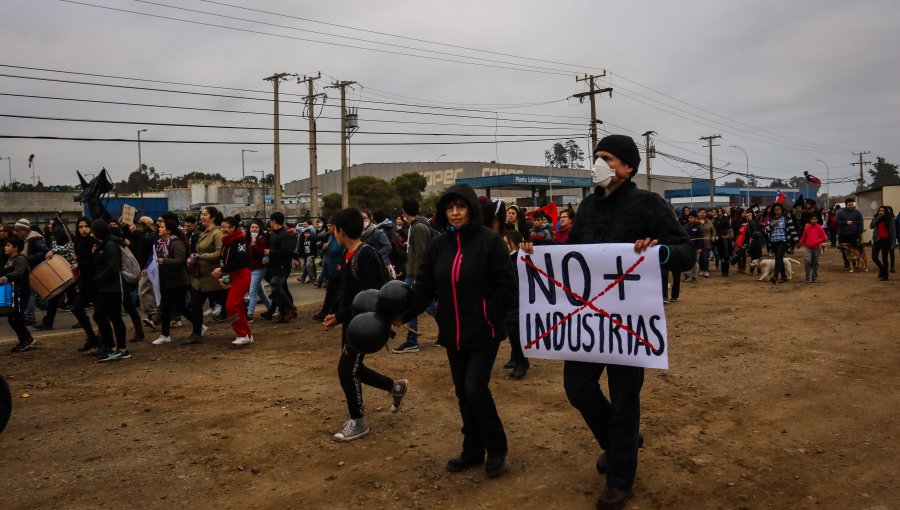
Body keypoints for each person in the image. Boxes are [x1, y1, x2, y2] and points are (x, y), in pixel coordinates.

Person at [563, 134, 693, 510]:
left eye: (606, 158)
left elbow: (684, 253)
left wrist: (661, 251)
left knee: (624, 402)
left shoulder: (648, 205)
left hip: (629, 324)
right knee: (578, 389)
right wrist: (531, 253)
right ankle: (621, 444)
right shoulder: (587, 207)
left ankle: (620, 478)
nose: (598, 164)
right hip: (587, 320)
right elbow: (573, 253)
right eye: (596, 157)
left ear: (627, 167)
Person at [398, 183, 516, 478]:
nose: (454, 213)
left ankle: (497, 447)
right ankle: (472, 450)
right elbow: (424, 287)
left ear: (471, 209)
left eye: (460, 207)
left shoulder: (490, 241)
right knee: (463, 392)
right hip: (453, 333)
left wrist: (490, 314)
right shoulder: (438, 246)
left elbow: (507, 284)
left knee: (476, 388)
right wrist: (403, 315)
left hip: (485, 332)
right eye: (449, 208)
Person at [323, 208, 408, 442]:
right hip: (351, 324)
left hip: (365, 327)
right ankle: (396, 387)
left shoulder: (366, 255)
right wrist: (335, 314)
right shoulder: (347, 254)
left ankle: (358, 421)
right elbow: (348, 294)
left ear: (341, 231)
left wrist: (340, 316)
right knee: (354, 369)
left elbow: (369, 299)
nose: (332, 233)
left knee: (346, 370)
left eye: (333, 229)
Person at [392, 198, 432, 354]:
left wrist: (418, 276)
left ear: (403, 211)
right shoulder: (414, 226)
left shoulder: (419, 227)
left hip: (416, 275)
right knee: (430, 306)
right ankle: (446, 330)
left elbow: (422, 254)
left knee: (412, 306)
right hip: (412, 273)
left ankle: (411, 342)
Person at [90, 219, 131, 362]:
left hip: (112, 287)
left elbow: (112, 267)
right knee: (114, 317)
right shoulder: (106, 244)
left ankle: (113, 347)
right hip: (109, 287)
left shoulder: (110, 244)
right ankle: (121, 349)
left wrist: (98, 278)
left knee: (101, 315)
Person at [150, 219, 195, 345]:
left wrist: (164, 261)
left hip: (178, 282)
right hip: (165, 281)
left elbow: (180, 261)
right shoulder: (158, 243)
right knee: (165, 308)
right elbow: (153, 258)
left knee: (181, 307)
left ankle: (198, 324)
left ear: (169, 230)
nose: (159, 228)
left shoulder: (177, 243)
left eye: (162, 227)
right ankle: (165, 335)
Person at [185, 207, 223, 344]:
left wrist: (201, 256)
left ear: (212, 217)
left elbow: (220, 253)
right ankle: (196, 333)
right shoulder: (204, 233)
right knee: (195, 305)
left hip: (212, 277)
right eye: (202, 214)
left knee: (228, 304)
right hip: (200, 277)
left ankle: (242, 329)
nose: (202, 217)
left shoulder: (217, 233)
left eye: (205, 214)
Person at [213, 215, 253, 345]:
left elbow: (240, 261)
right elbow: (223, 260)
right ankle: (247, 334)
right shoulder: (226, 242)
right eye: (221, 227)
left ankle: (241, 334)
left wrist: (222, 269)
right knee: (239, 306)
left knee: (230, 305)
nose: (222, 229)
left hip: (241, 275)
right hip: (232, 275)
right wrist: (223, 276)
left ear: (233, 228)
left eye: (225, 227)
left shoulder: (240, 241)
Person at [1, 237, 36, 352]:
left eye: (8, 245)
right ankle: (25, 339)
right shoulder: (9, 260)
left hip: (19, 291)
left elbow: (19, 273)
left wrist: (7, 277)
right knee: (11, 317)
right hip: (8, 291)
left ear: (15, 248)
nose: (5, 247)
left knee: (16, 317)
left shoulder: (20, 259)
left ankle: (26, 340)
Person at [262, 212, 296, 323]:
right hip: (273, 266)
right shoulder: (273, 235)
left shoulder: (284, 235)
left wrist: (270, 252)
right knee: (282, 290)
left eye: (271, 221)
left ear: (274, 221)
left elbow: (287, 251)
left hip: (282, 267)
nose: (270, 223)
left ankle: (290, 307)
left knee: (276, 288)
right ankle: (282, 312)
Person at [13, 219, 47, 326]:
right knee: (35, 296)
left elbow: (44, 251)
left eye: (18, 230)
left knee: (30, 294)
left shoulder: (34, 239)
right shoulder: (26, 239)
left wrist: (27, 259)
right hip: (30, 270)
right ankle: (50, 307)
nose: (16, 232)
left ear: (24, 230)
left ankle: (29, 317)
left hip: (35, 269)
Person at [312, 219, 344, 323]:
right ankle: (326, 312)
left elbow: (345, 251)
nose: (328, 228)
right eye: (328, 226)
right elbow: (326, 252)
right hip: (331, 269)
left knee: (337, 293)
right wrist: (324, 248)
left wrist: (341, 263)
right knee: (330, 293)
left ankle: (331, 312)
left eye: (330, 226)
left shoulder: (341, 238)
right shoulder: (330, 237)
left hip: (340, 270)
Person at [245, 220, 272, 322]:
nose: (254, 229)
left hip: (259, 269)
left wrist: (254, 244)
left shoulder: (263, 239)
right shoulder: (247, 239)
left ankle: (249, 314)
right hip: (250, 268)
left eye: (256, 227)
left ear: (260, 229)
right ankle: (271, 309)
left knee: (252, 292)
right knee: (261, 292)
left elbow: (262, 253)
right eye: (252, 227)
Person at [766, 203, 799, 284]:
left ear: (782, 210)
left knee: (778, 257)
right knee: (779, 259)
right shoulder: (771, 219)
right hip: (773, 241)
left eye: (778, 209)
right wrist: (772, 225)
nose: (777, 211)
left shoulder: (787, 218)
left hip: (783, 241)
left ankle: (775, 276)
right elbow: (766, 230)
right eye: (775, 209)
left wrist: (796, 241)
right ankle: (784, 277)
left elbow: (792, 230)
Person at [796, 214, 828, 283]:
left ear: (817, 220)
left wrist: (816, 241)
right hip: (808, 248)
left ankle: (814, 278)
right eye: (812, 219)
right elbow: (803, 237)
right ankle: (807, 278)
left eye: (815, 219)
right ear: (810, 220)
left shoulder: (819, 228)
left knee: (815, 263)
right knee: (807, 261)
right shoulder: (807, 227)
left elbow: (825, 237)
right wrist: (800, 243)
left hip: (816, 248)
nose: (814, 220)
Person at [835, 197, 863, 270]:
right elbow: (836, 222)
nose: (851, 206)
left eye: (852, 205)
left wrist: (860, 231)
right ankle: (847, 263)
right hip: (843, 234)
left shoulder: (857, 212)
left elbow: (861, 221)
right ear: (846, 205)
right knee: (844, 249)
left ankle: (855, 262)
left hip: (854, 234)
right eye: (849, 205)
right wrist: (845, 222)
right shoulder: (840, 213)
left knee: (855, 248)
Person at [870, 205, 896, 281]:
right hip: (877, 240)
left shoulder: (890, 219)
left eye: (883, 211)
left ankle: (885, 275)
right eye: (880, 211)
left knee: (884, 258)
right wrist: (878, 218)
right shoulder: (876, 217)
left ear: (886, 212)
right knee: (874, 257)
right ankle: (882, 269)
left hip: (886, 241)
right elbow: (871, 226)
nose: (881, 212)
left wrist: (893, 243)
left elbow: (893, 232)